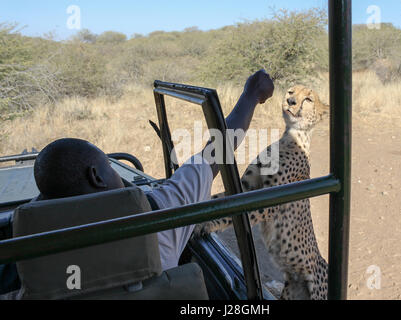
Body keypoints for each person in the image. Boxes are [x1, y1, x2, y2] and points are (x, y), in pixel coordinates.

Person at [32, 70, 274, 272]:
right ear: (96, 177)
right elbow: (218, 149)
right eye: (109, 166)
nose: (118, 174)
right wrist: (251, 94)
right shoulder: (155, 213)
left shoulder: (27, 249)